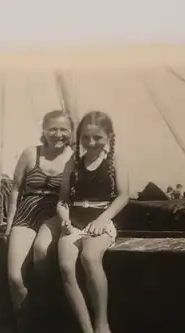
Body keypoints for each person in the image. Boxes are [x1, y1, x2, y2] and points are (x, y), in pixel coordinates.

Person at [56, 111, 129, 333]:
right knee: (66, 266)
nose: (91, 142)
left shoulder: (114, 162)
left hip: (101, 221)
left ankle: (102, 324)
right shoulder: (72, 164)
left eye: (97, 137)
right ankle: (86, 329)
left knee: (89, 257)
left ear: (109, 137)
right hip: (74, 221)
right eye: (86, 137)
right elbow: (62, 200)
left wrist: (102, 219)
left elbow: (124, 196)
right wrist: (65, 220)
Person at [5, 110, 74, 330]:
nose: (58, 134)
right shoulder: (30, 154)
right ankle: (25, 325)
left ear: (71, 132)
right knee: (15, 278)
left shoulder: (74, 157)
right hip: (26, 213)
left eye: (64, 129)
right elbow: (16, 188)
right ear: (43, 130)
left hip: (54, 213)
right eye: (53, 128)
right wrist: (9, 222)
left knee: (41, 251)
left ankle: (45, 310)